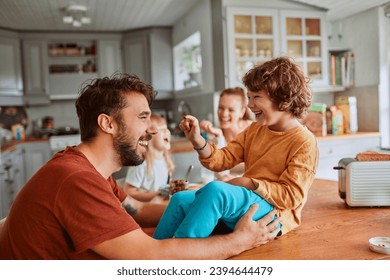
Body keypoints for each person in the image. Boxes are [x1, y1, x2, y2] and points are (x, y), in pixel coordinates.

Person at [0, 73, 280, 260]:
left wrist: (208, 204)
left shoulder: (90, 171)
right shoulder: (75, 179)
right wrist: (239, 241)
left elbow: (140, 210)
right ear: (107, 123)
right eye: (143, 118)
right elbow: (149, 257)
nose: (152, 130)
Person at [153, 57, 319, 239]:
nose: (250, 105)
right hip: (249, 198)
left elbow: (291, 196)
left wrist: (249, 183)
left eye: (256, 97)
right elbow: (222, 159)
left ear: (283, 99)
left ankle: (182, 257)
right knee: (179, 199)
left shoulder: (304, 142)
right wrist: (197, 140)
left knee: (216, 191)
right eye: (249, 97)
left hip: (276, 213)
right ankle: (152, 256)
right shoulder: (256, 129)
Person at [199, 87, 252, 181]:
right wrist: (220, 137)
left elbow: (257, 165)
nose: (224, 114)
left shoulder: (254, 130)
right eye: (221, 108)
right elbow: (215, 170)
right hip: (226, 186)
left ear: (242, 112)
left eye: (231, 110)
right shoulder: (215, 134)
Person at [123, 114, 175, 202]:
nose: (167, 131)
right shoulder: (141, 164)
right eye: (161, 129)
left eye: (166, 128)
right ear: (149, 137)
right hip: (144, 210)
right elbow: (129, 192)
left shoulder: (165, 160)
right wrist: (156, 195)